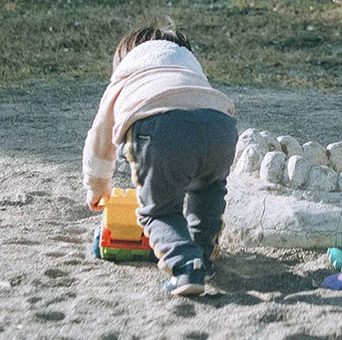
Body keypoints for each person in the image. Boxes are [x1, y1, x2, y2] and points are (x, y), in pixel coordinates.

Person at [82, 24, 238, 297]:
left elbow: (100, 139)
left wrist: (98, 187)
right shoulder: (189, 69)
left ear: (124, 58)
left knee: (160, 210)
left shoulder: (125, 78)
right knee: (209, 189)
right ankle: (203, 254)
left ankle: (185, 264)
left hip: (160, 129)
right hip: (221, 128)